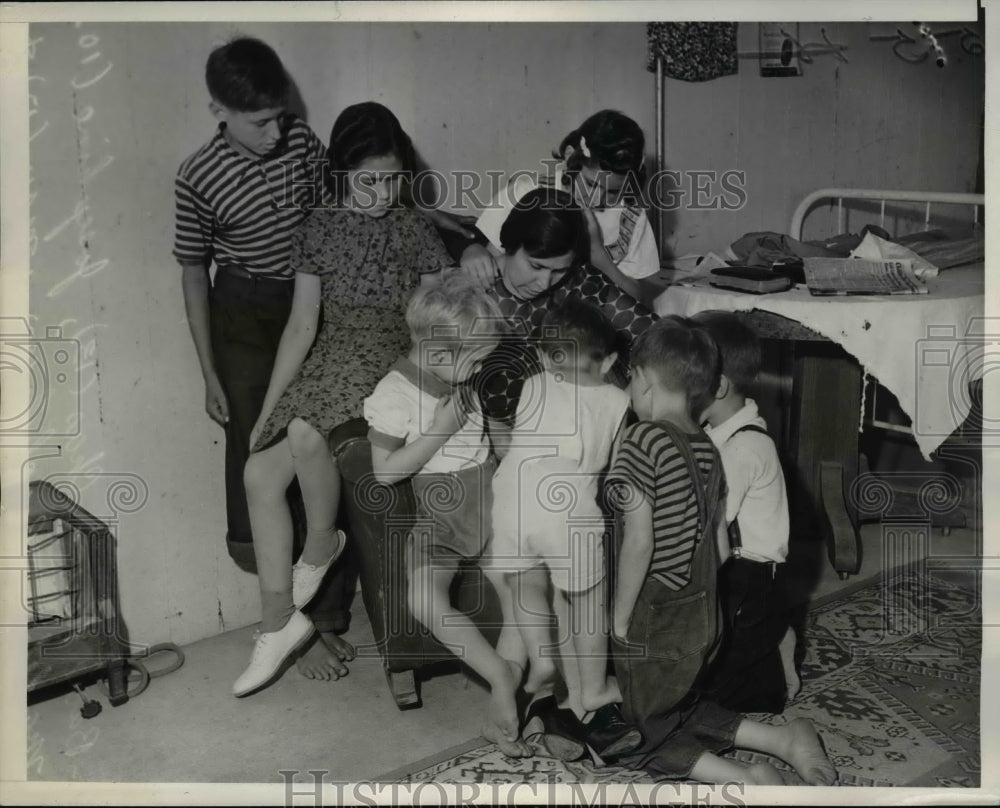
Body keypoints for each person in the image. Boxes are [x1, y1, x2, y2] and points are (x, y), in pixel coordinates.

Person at [233, 102, 455, 697]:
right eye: (368, 180)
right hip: (328, 363)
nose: (382, 192)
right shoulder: (317, 226)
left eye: (392, 178)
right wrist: (265, 410)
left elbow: (437, 322)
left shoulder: (414, 228)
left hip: (386, 365)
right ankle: (279, 623)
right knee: (257, 472)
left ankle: (318, 546)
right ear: (341, 171)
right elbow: (302, 326)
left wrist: (429, 389)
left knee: (306, 437)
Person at [606, 318, 837, 785]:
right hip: (703, 611)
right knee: (677, 701)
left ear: (645, 380)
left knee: (638, 730)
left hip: (657, 604)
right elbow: (718, 546)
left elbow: (640, 540)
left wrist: (620, 616)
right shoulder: (707, 448)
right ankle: (780, 739)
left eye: (629, 377)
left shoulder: (640, 441)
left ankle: (741, 777)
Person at [363, 273, 526, 754]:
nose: (483, 367)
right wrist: (440, 430)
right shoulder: (392, 394)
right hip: (441, 514)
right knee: (423, 598)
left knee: (524, 588)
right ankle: (500, 674)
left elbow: (499, 443)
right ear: (437, 352)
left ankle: (507, 687)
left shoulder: (471, 378)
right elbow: (386, 474)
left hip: (493, 499)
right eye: (476, 358)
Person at [487, 298, 638, 761]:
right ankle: (591, 690)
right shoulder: (617, 398)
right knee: (585, 602)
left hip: (511, 491)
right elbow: (610, 465)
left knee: (528, 585)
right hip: (567, 502)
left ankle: (543, 655)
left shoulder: (532, 383)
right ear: (609, 361)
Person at [691, 311, 799, 711]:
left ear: (716, 387)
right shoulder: (717, 432)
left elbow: (706, 535)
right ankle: (776, 631)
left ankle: (774, 641)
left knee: (714, 696)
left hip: (748, 579)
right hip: (732, 568)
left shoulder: (742, 449)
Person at [462, 110, 660, 304]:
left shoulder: (631, 219)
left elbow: (636, 299)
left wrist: (597, 253)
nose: (597, 198)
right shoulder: (526, 192)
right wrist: (474, 251)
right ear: (570, 155)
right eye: (591, 184)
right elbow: (490, 259)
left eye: (613, 192)